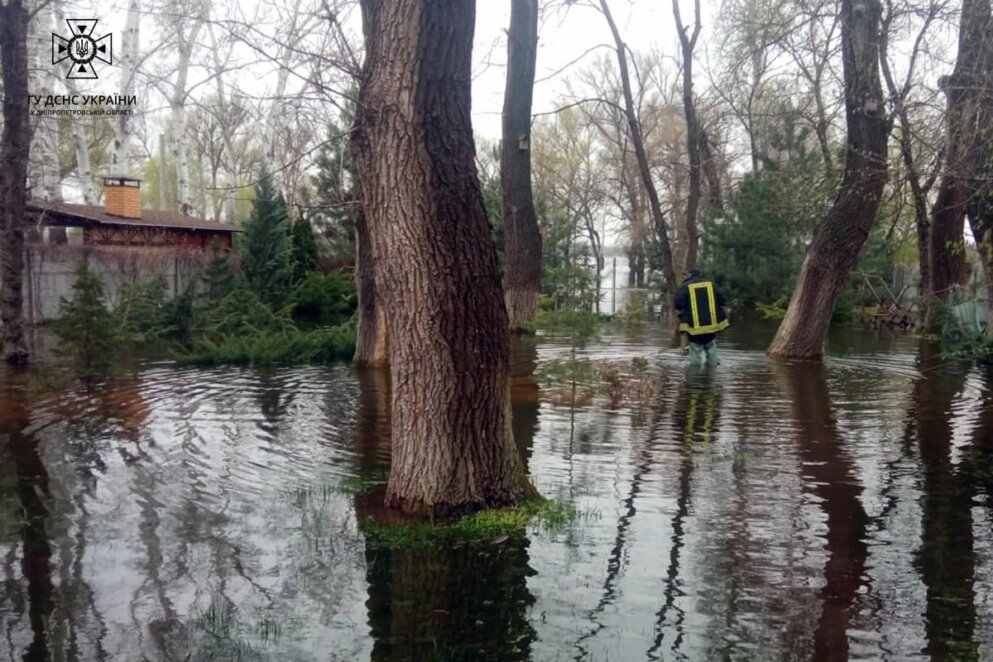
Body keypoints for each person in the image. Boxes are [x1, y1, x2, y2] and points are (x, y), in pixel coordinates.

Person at [674, 267, 729, 366]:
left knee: (695, 349)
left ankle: (695, 377)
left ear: (690, 275)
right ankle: (712, 372)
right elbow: (723, 300)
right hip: (711, 325)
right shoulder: (711, 285)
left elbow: (678, 303)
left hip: (694, 327)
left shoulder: (685, 287)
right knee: (710, 346)